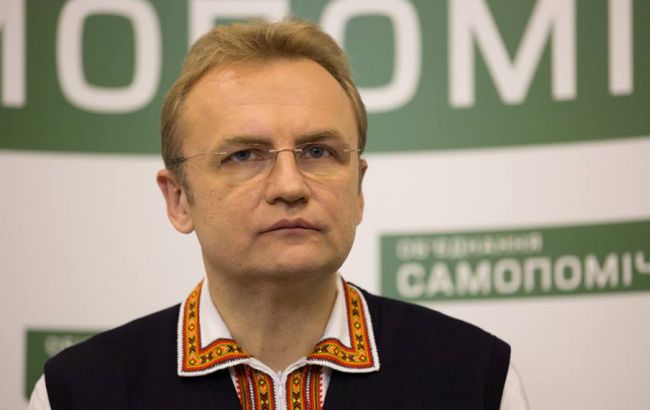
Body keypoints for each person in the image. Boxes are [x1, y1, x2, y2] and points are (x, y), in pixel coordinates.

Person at [29, 19, 528, 410]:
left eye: (318, 152)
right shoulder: (79, 392)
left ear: (358, 188)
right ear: (179, 199)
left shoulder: (475, 377)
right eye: (244, 155)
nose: (290, 186)